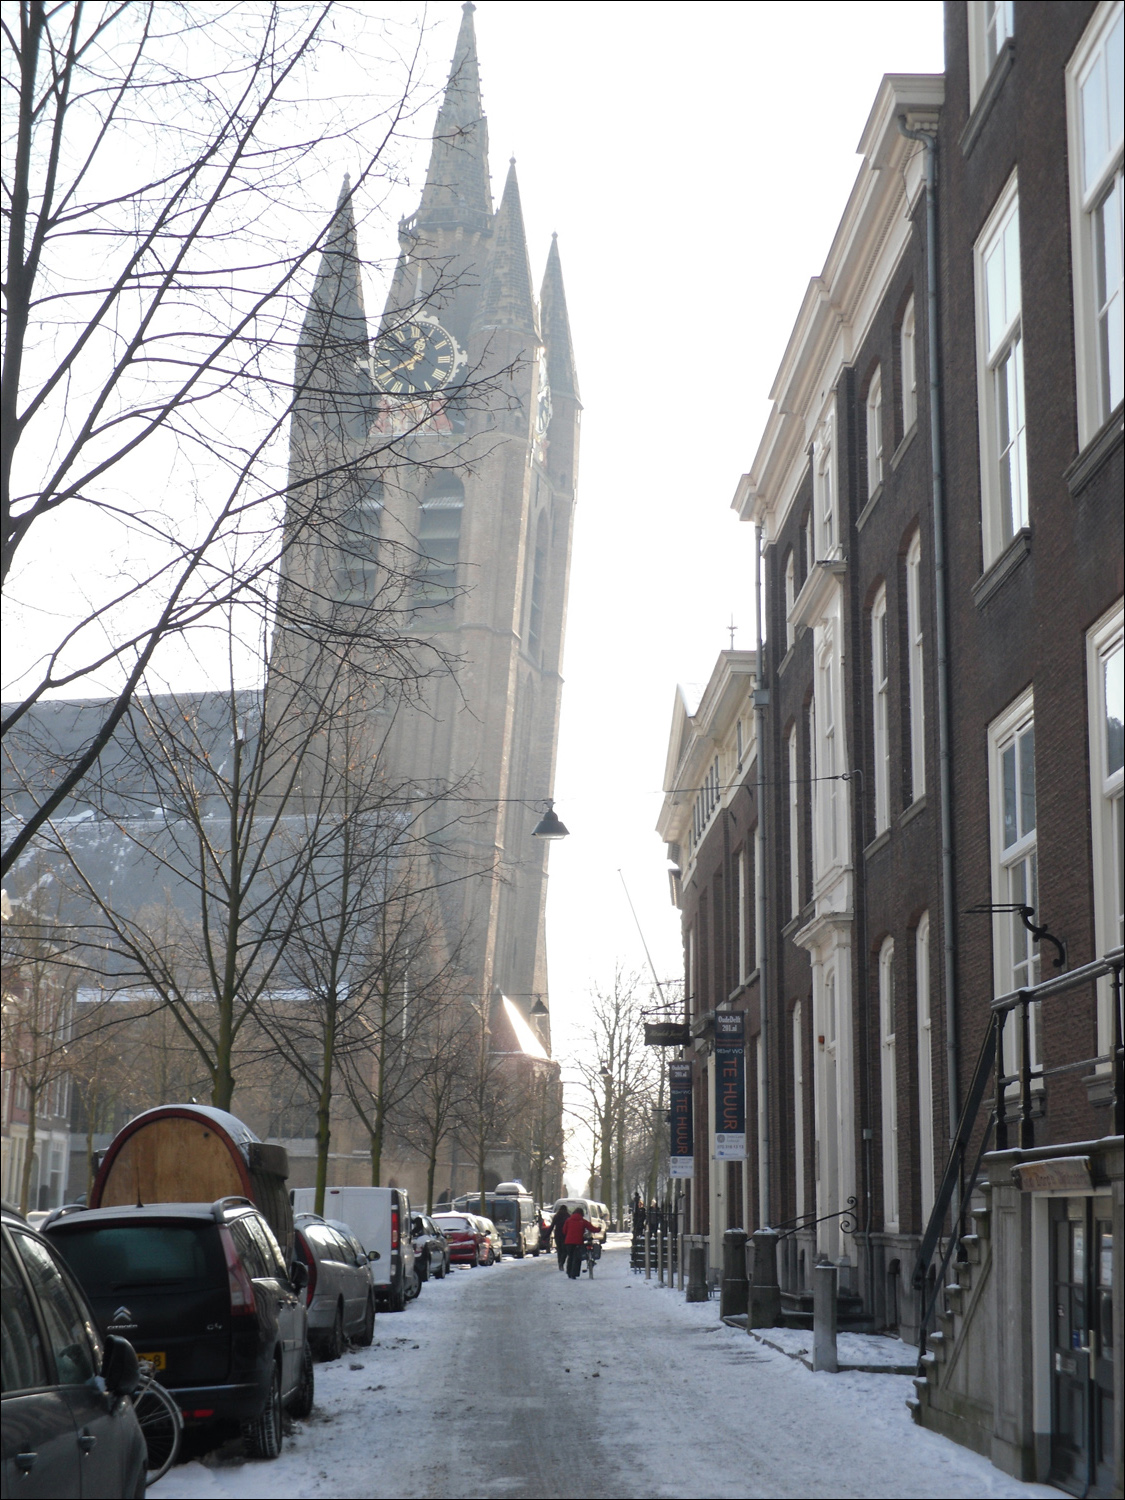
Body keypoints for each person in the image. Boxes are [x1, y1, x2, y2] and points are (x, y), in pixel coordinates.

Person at [563, 1203, 593, 1279]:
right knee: (577, 1258)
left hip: (568, 1242)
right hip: (578, 1242)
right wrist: (599, 1229)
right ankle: (574, 1273)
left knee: (570, 1257)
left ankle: (569, 1272)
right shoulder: (583, 1221)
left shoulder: (568, 1220)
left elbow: (564, 1231)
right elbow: (591, 1228)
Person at [552, 1204, 570, 1269]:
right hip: (565, 1235)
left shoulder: (556, 1216)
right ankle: (562, 1262)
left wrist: (545, 1236)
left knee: (559, 1250)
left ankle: (560, 1263)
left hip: (557, 1235)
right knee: (564, 1250)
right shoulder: (568, 1216)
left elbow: (552, 1226)